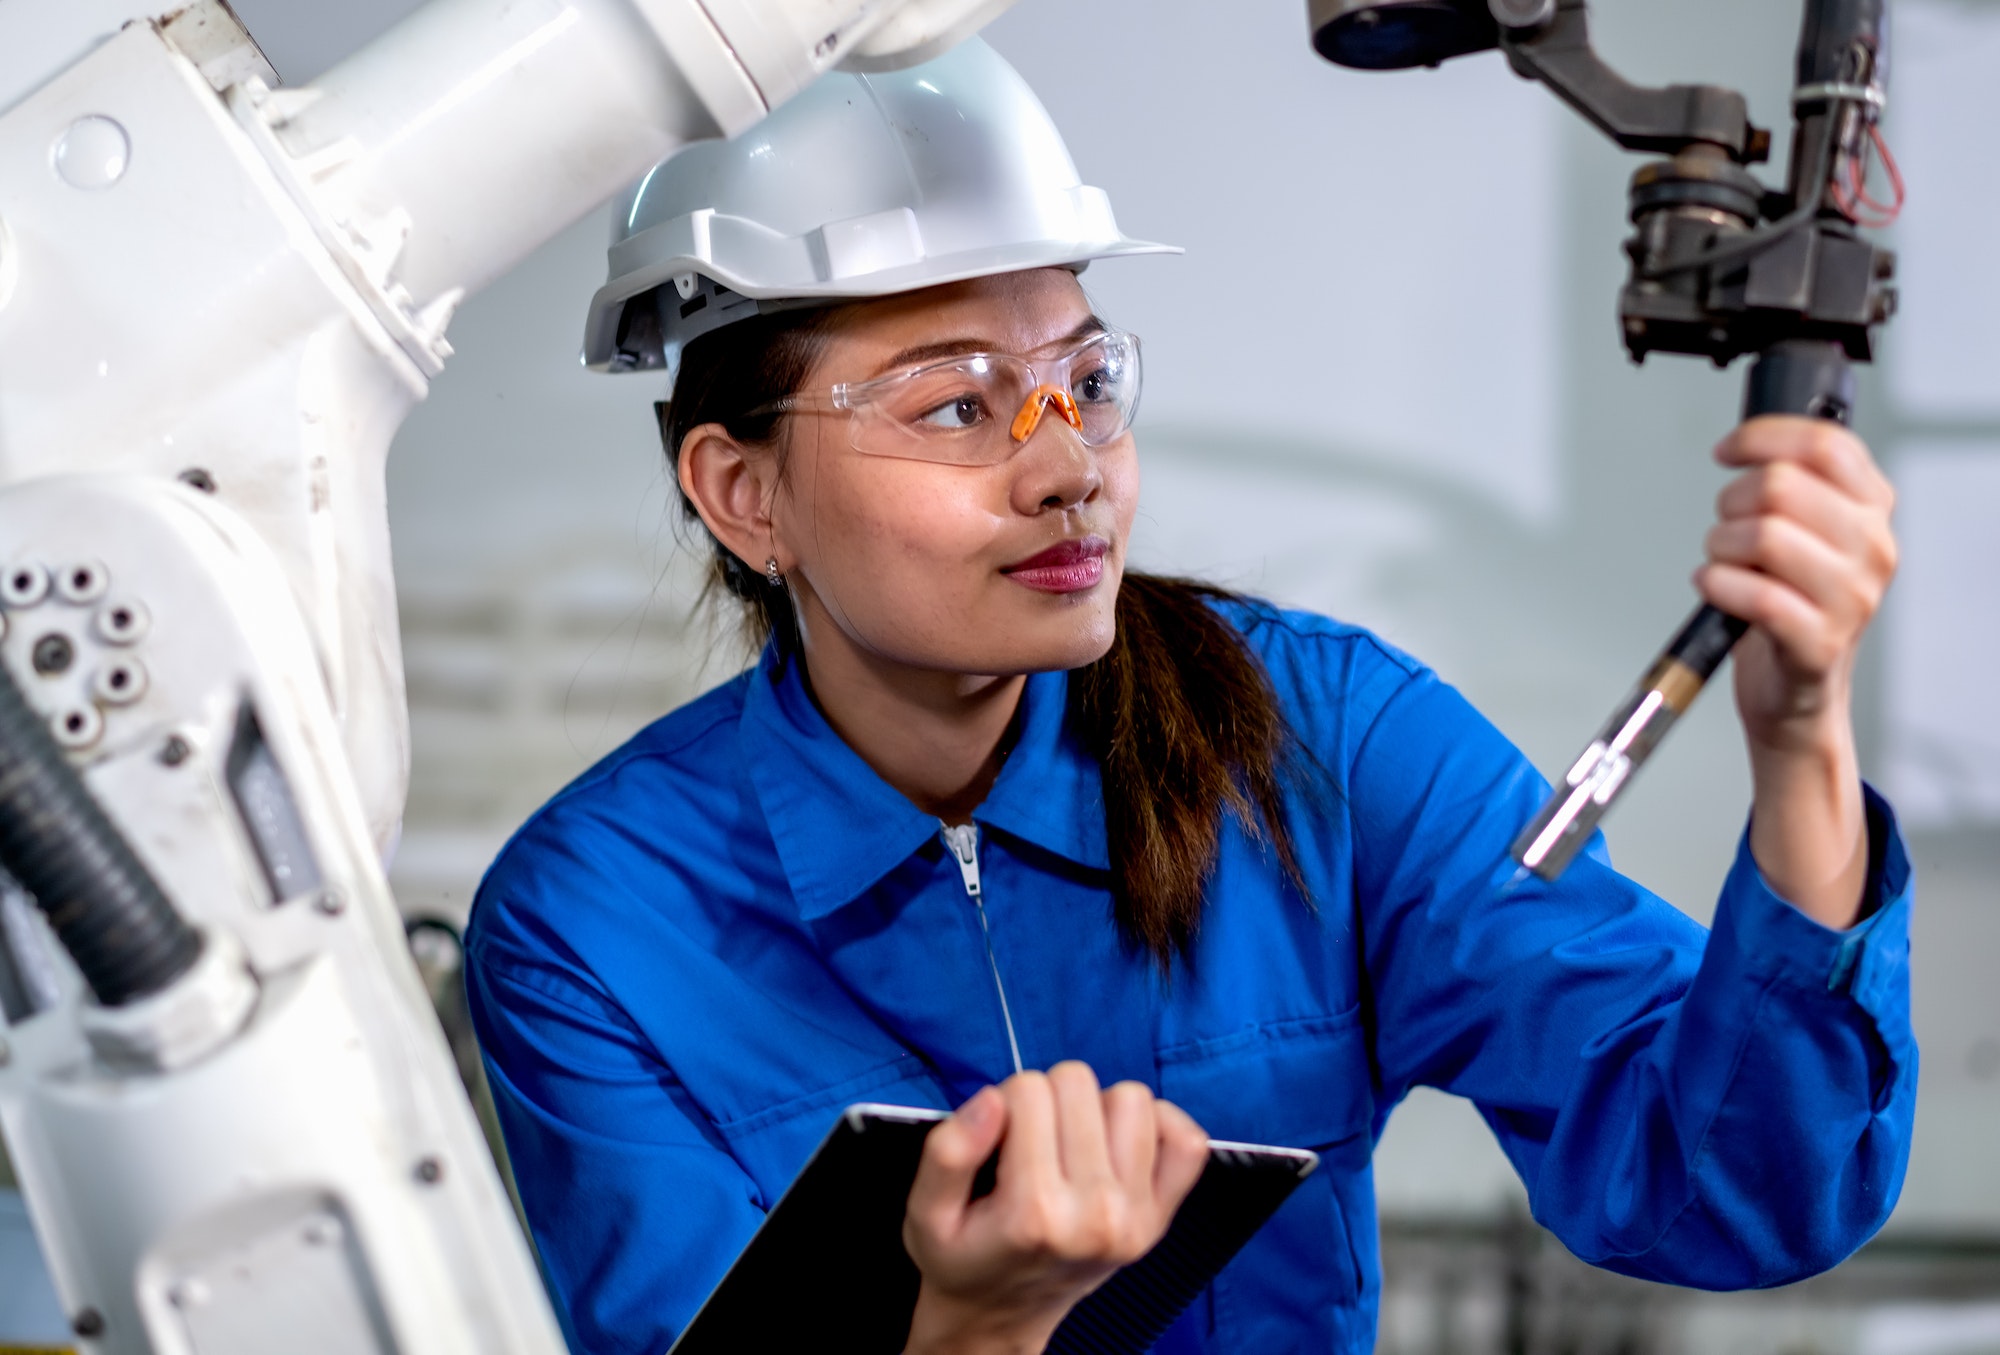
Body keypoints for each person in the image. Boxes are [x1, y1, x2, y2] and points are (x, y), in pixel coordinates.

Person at [465, 38, 1914, 1355]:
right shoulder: (596, 928)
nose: (1068, 466)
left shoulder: (1320, 748)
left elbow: (1729, 1188)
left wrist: (1801, 749)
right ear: (743, 494)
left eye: (1088, 381)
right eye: (959, 404)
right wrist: (978, 1328)